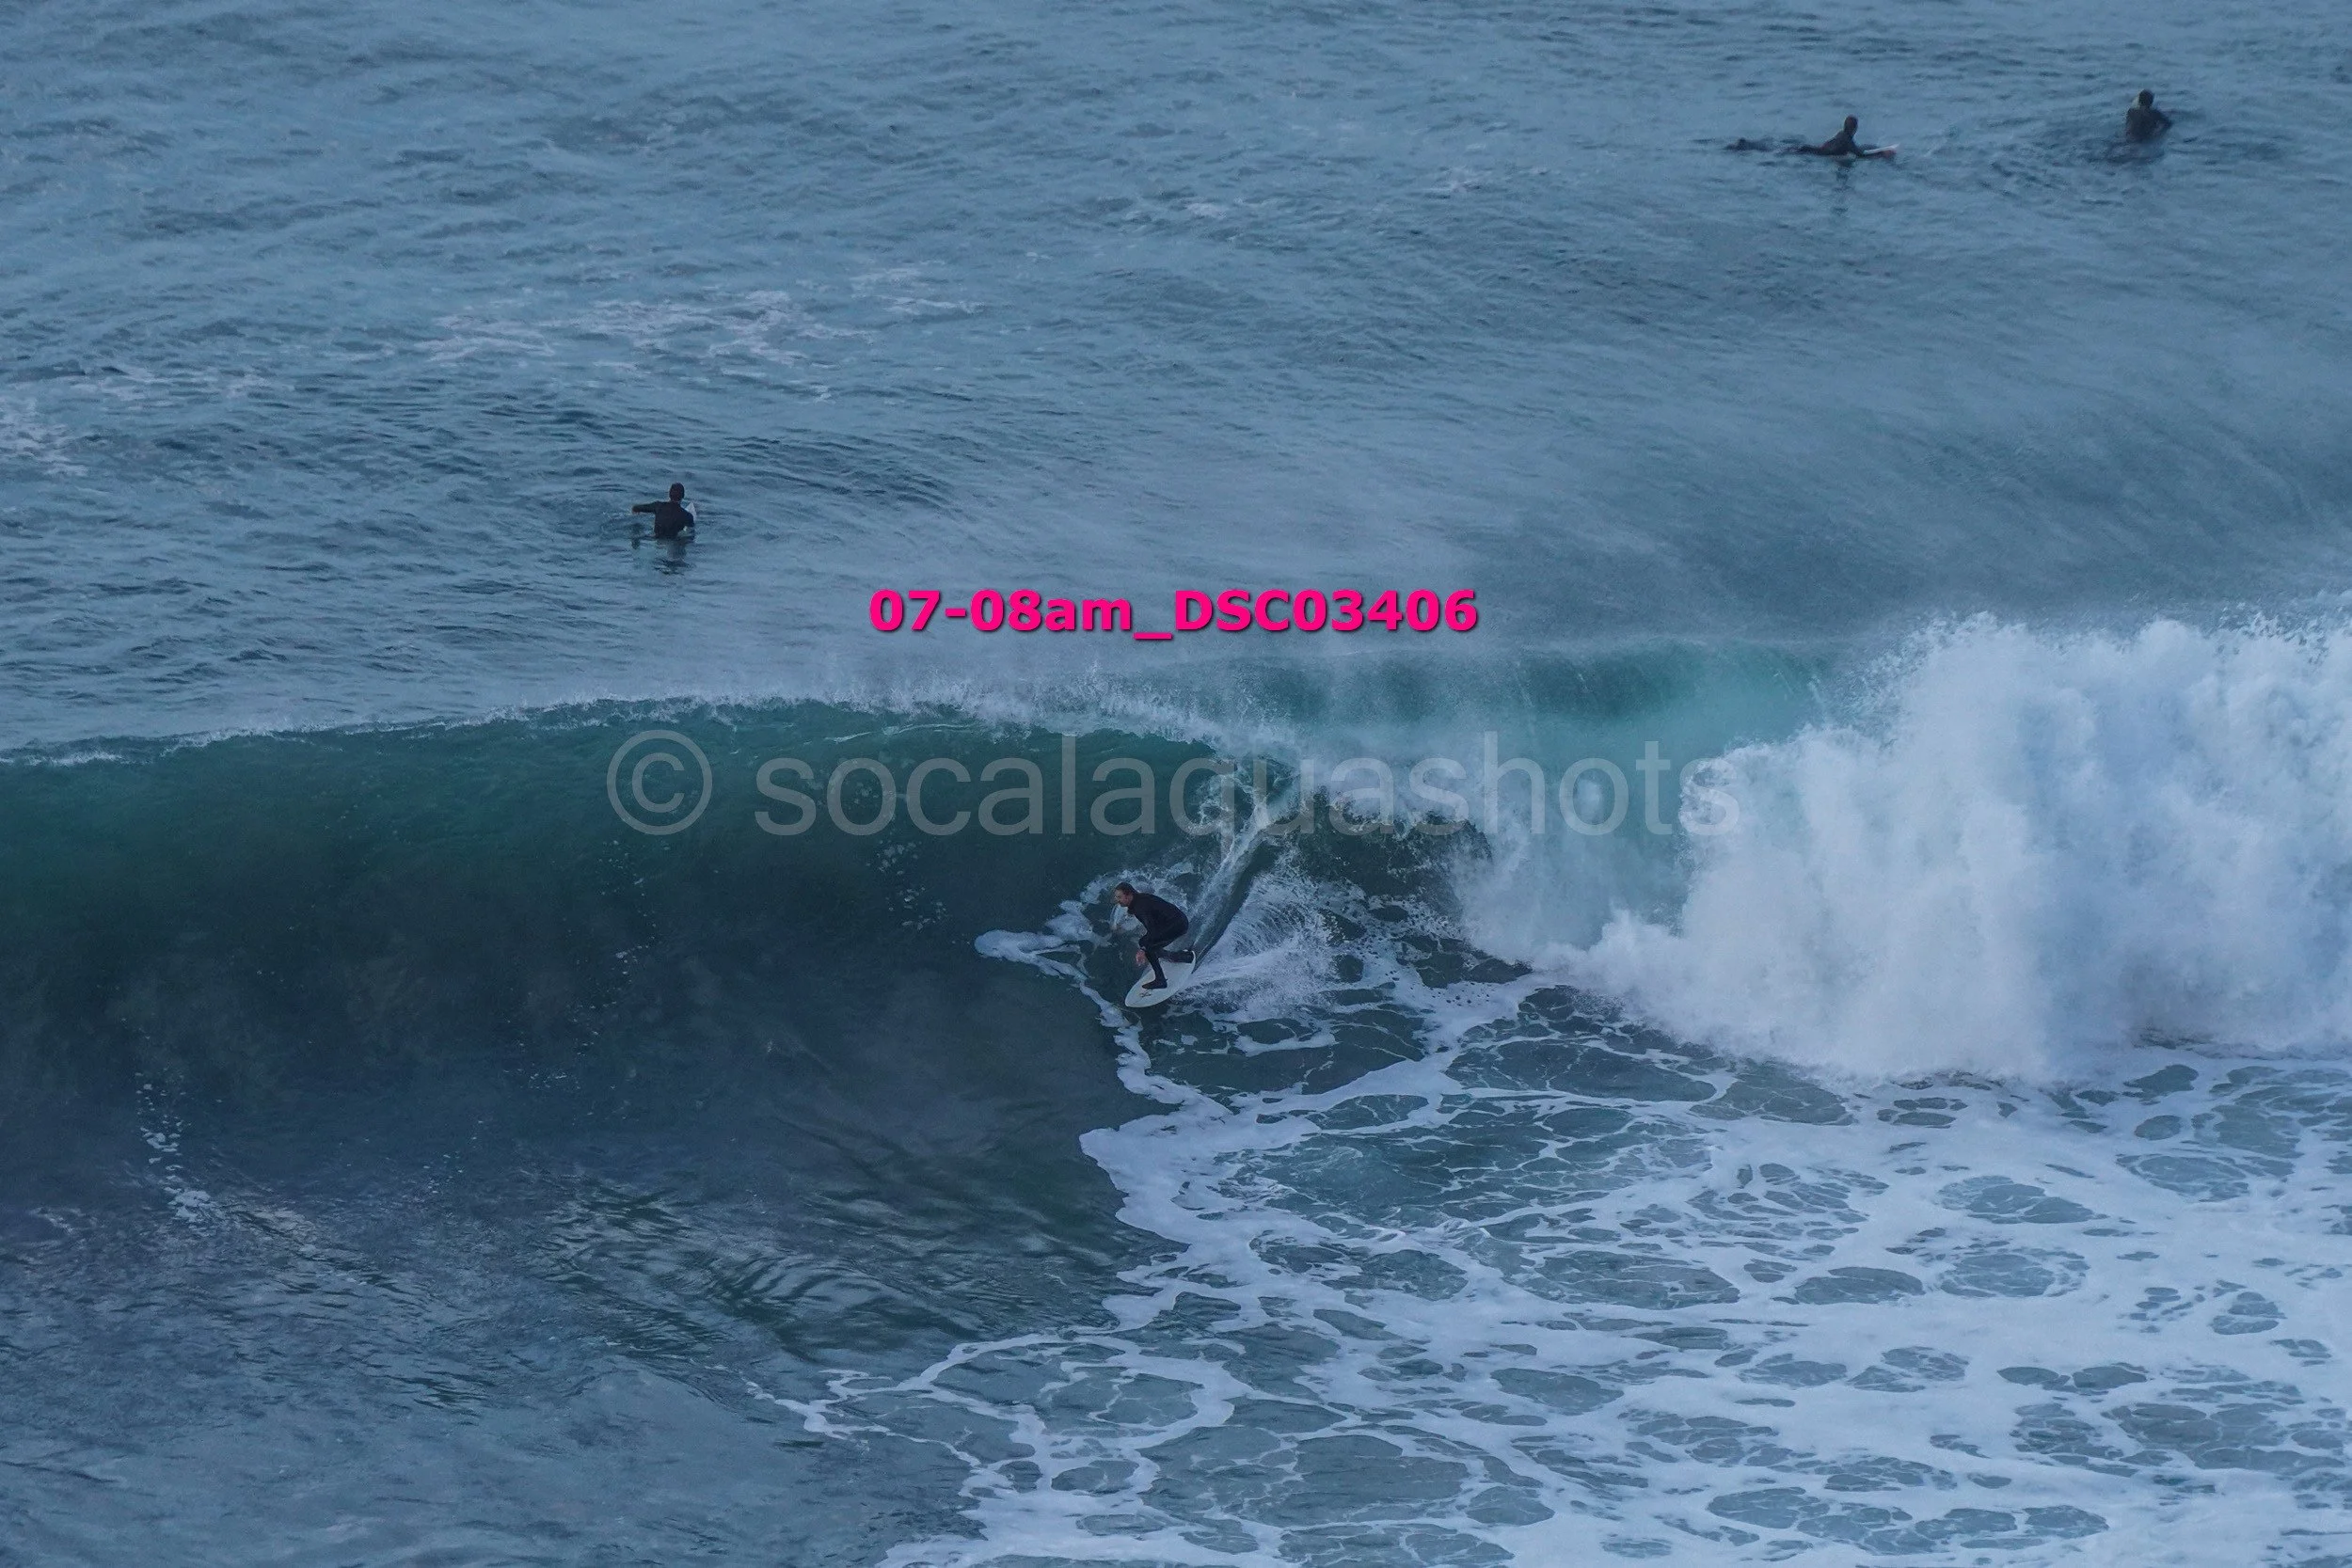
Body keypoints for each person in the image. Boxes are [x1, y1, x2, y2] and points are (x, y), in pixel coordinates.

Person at [1114, 881, 1193, 991]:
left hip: (1177, 925)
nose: (1117, 900)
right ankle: (1180, 957)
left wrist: (1143, 950)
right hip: (1177, 921)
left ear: (1129, 895)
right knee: (1146, 942)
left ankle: (1161, 980)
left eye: (1119, 897)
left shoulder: (1140, 908)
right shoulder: (1140, 899)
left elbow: (1153, 930)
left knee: (1148, 947)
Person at [632, 483, 696, 540]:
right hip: (672, 540)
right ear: (683, 496)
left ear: (669, 494)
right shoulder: (687, 516)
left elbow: (636, 508)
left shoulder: (658, 506)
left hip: (654, 537)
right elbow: (691, 533)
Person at [1798, 116, 1865, 157]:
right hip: (1820, 154)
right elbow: (1859, 154)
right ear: (1854, 128)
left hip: (1818, 150)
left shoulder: (1841, 134)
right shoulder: (1847, 140)